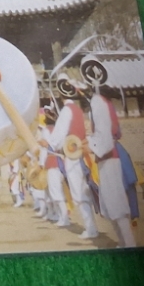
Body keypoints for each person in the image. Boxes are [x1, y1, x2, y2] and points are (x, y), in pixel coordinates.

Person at [87, 86, 137, 247]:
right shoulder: (107, 105)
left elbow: (104, 138)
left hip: (108, 157)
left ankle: (129, 243)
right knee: (110, 202)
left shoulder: (99, 103)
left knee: (115, 202)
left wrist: (90, 144)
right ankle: (123, 242)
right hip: (107, 158)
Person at [49, 87, 99, 239]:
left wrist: (52, 145)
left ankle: (91, 228)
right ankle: (91, 227)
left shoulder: (66, 111)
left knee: (79, 192)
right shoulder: (78, 110)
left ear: (61, 95)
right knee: (83, 190)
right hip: (81, 153)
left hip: (73, 154)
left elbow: (58, 135)